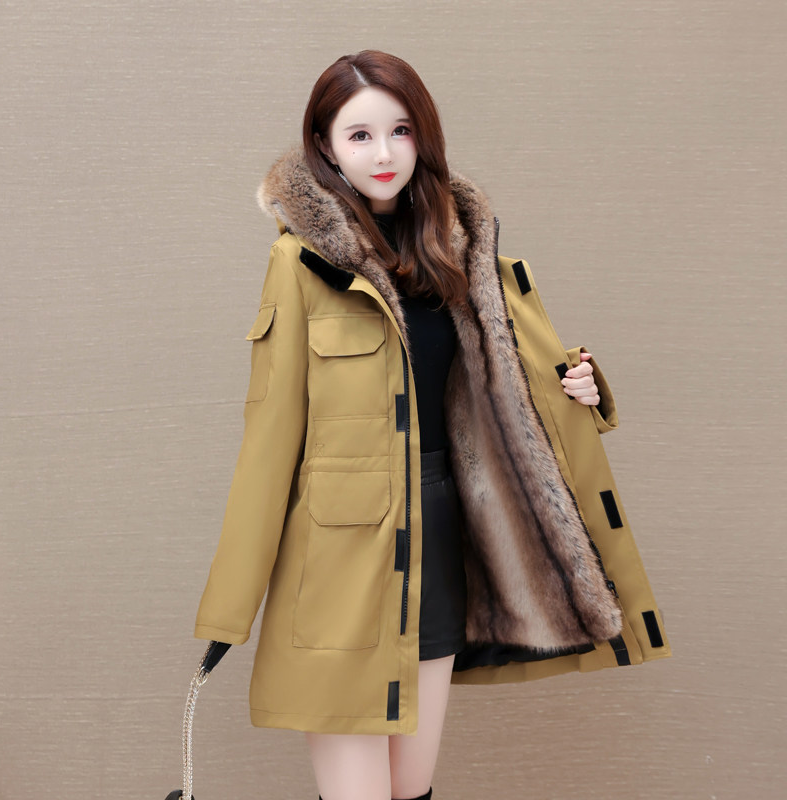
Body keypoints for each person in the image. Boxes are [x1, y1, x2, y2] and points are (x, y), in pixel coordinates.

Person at [192, 50, 670, 800]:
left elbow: (517, 389)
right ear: (326, 147)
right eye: (359, 135)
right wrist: (230, 610)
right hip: (340, 567)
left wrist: (585, 385)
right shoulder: (302, 264)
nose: (383, 153)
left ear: (423, 137)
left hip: (442, 547)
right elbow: (270, 439)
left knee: (411, 792)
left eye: (401, 130)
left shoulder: (466, 257)